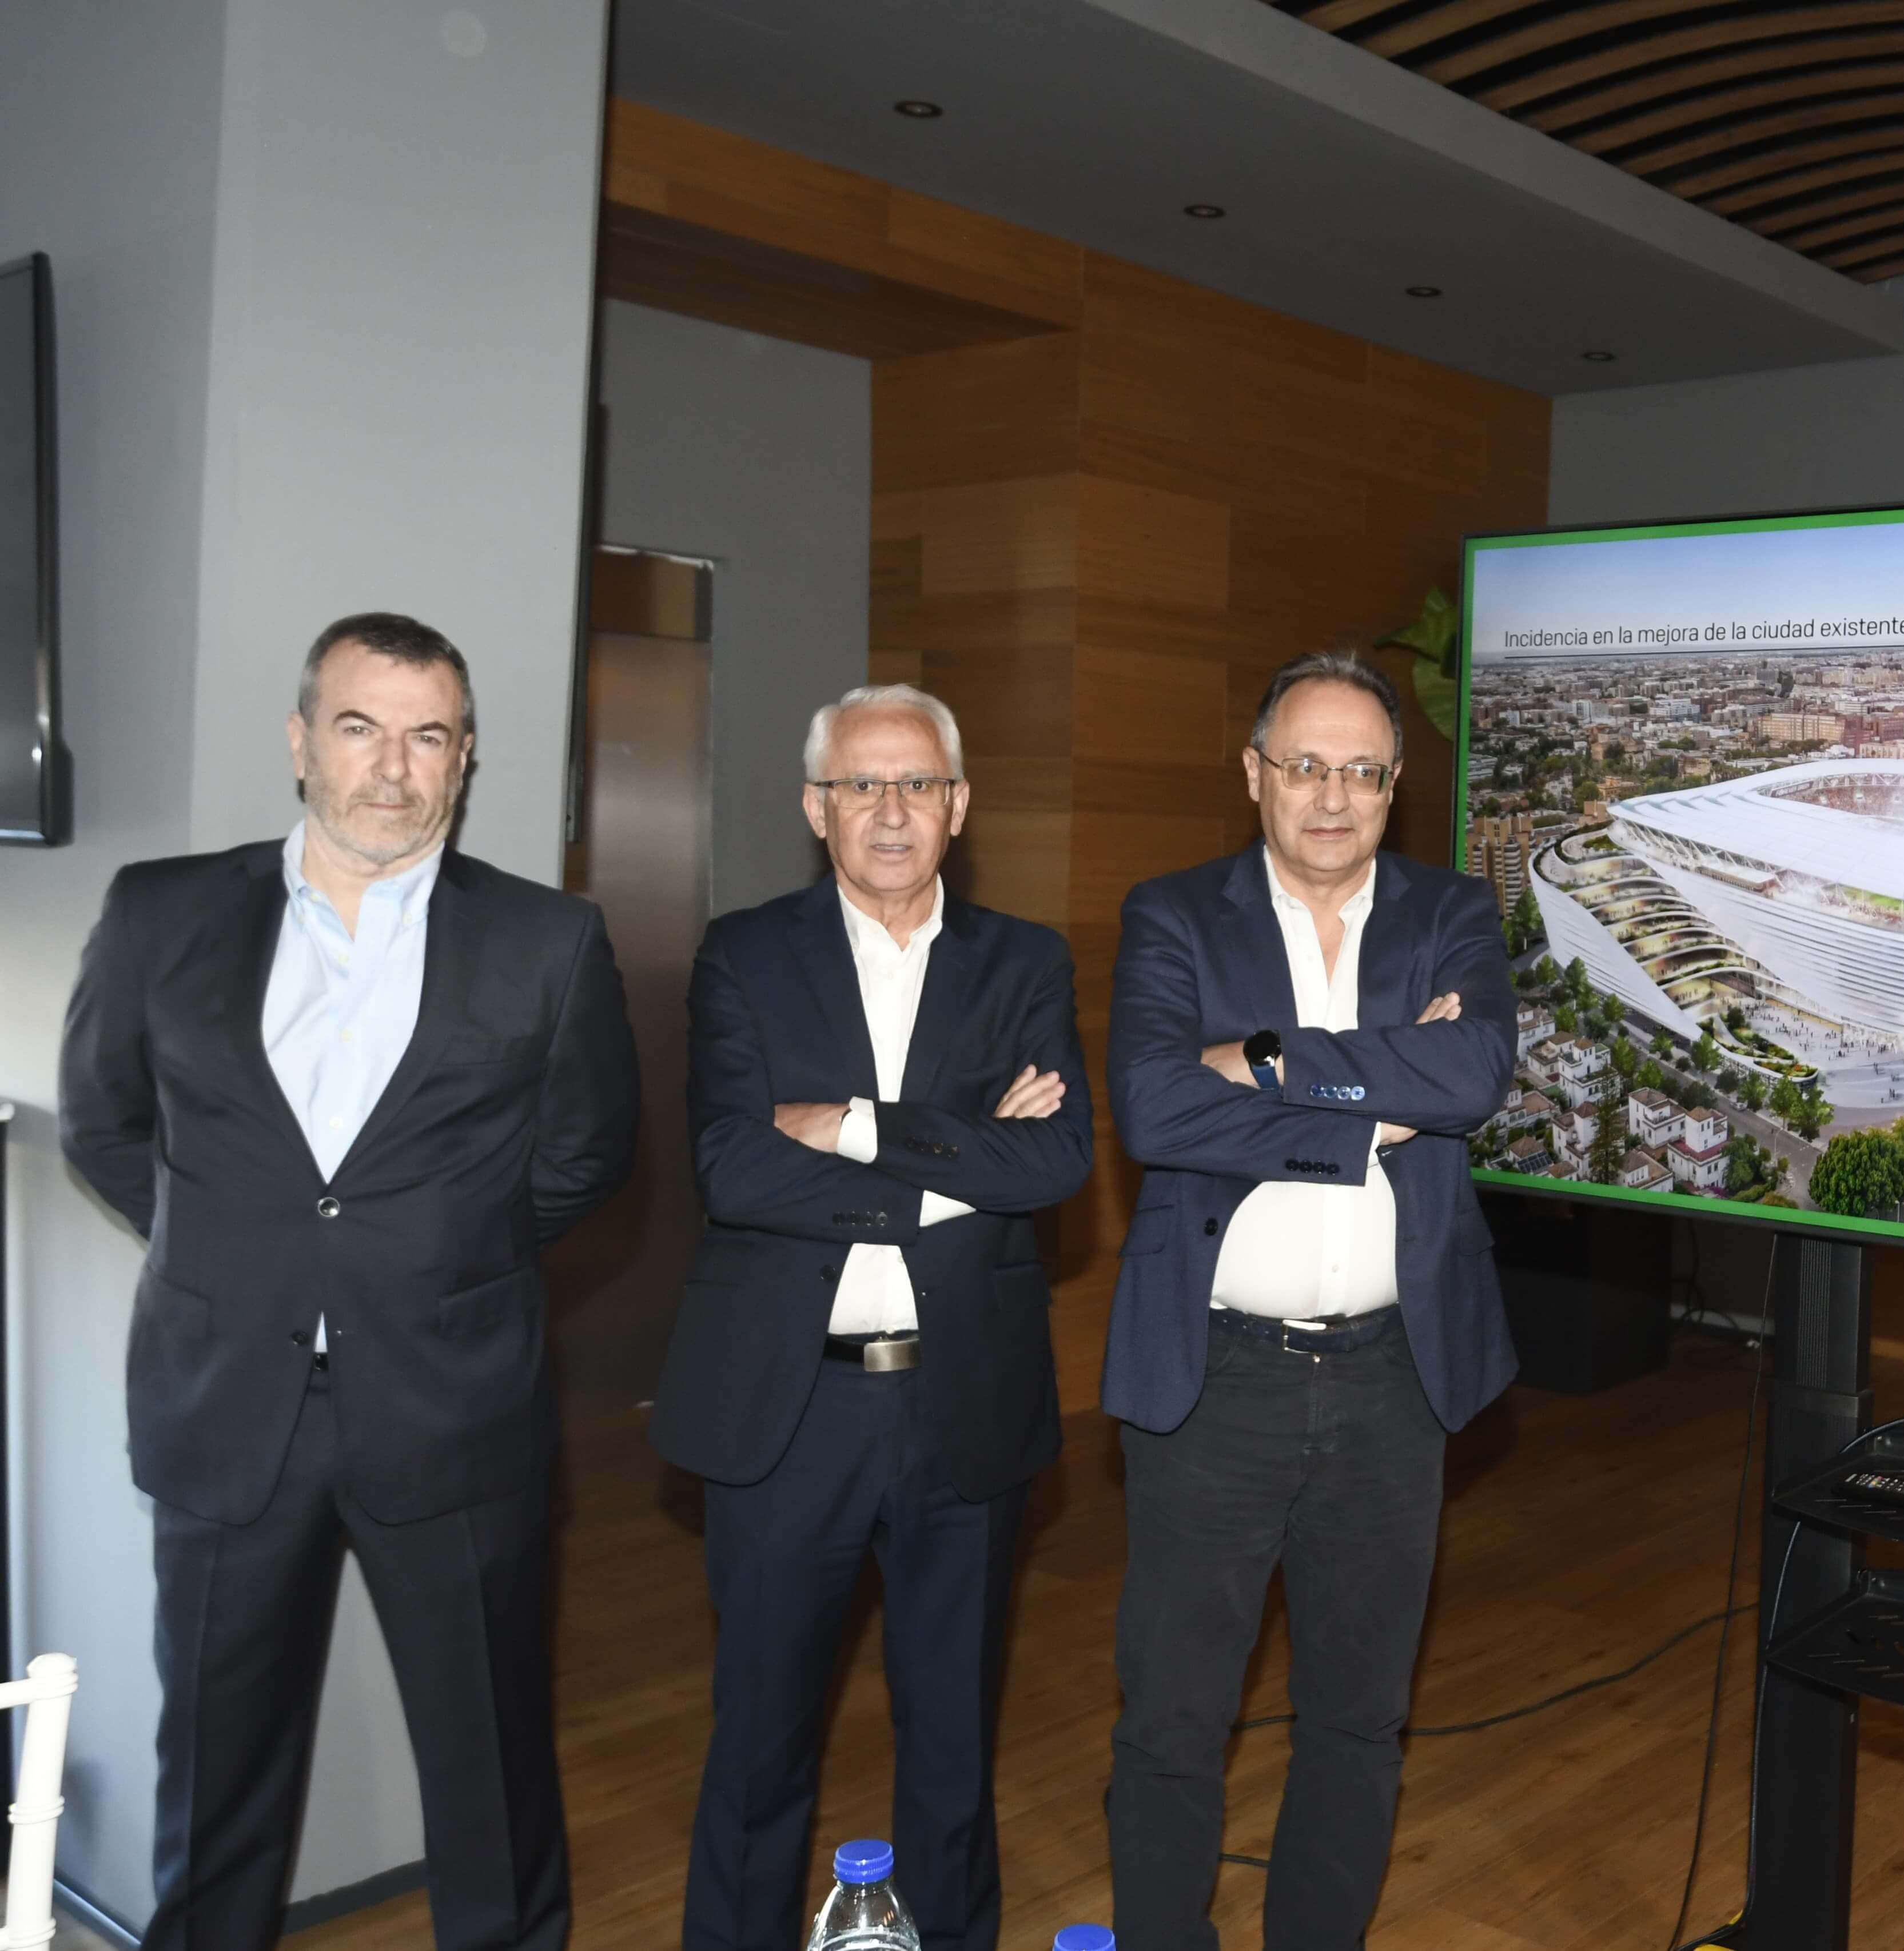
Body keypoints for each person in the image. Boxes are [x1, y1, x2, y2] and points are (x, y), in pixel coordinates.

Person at [59, 612, 639, 1951]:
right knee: (214, 1778)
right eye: (361, 727)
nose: (393, 767)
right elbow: (103, 1123)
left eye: (428, 736)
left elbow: (586, 1157)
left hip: (455, 1409)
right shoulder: (161, 911)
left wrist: (438, 1262)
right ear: (301, 742)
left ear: (465, 759)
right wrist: (236, 1257)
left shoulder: (548, 941)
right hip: (225, 1407)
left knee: (490, 1773)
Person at [651, 683, 1092, 1951]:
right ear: (816, 807)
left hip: (965, 1401)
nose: (891, 811)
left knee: (951, 1741)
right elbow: (733, 1168)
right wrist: (954, 1169)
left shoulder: (1024, 961)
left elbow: (1055, 1160)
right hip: (789, 1410)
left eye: (917, 784)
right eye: (862, 785)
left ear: (960, 804)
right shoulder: (744, 954)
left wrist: (846, 1126)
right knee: (760, 1741)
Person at [1102, 648, 1516, 1951]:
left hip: (1395, 1377)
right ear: (1254, 774)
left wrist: (1262, 1058)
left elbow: (1472, 1076)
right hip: (1214, 1378)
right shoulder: (1175, 914)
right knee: (1174, 1717)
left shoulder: (1451, 910)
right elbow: (1155, 1108)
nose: (1332, 797)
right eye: (1305, 767)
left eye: (1362, 772)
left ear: (1393, 788)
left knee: (1358, 1716)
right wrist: (1370, 1108)